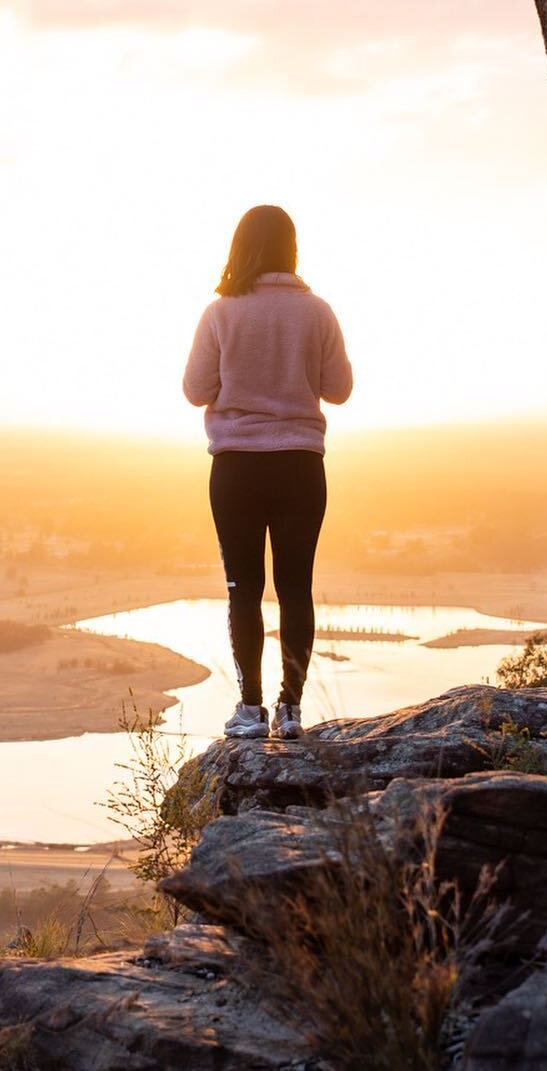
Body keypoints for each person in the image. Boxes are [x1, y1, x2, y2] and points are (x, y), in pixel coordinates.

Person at [182, 205, 353, 741]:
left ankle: (250, 710)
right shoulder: (318, 312)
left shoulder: (220, 313)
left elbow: (195, 391)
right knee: (295, 587)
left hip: (236, 468)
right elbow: (340, 389)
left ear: (241, 247)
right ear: (291, 247)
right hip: (302, 464)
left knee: (243, 588)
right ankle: (292, 710)